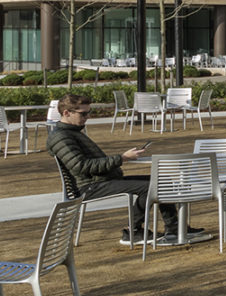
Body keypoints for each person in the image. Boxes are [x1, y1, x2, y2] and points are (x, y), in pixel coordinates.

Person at [47, 93, 199, 246]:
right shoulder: (61, 137)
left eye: (89, 112)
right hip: (89, 186)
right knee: (150, 187)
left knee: (163, 181)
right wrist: (122, 158)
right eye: (83, 113)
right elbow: (81, 166)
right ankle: (132, 231)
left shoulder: (72, 133)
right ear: (66, 113)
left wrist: (122, 158)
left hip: (102, 180)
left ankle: (174, 228)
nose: (88, 117)